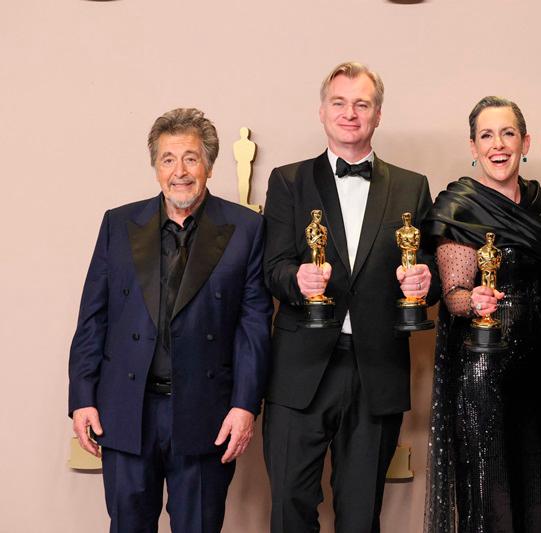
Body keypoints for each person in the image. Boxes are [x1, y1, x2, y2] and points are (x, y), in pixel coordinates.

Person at [68, 108, 272, 532]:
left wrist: (245, 405)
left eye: (191, 158)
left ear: (209, 166)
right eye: (168, 159)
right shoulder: (119, 224)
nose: (180, 171)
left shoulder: (246, 228)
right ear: (155, 167)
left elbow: (253, 326)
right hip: (126, 408)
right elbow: (93, 317)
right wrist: (83, 396)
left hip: (206, 411)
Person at [262, 61, 440, 532]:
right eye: (339, 103)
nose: (350, 113)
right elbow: (271, 270)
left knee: (361, 517)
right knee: (288, 512)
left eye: (362, 104)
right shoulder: (287, 181)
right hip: (299, 372)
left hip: (375, 372)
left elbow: (429, 278)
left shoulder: (411, 186)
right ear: (322, 111)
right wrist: (296, 281)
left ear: (378, 115)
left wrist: (426, 285)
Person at [423, 96, 541, 533]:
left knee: (534, 493)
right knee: (489, 500)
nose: (498, 144)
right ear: (473, 147)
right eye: (487, 135)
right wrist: (472, 301)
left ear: (525, 142)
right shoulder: (460, 206)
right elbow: (453, 294)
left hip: (537, 370)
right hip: (480, 373)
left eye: (508, 133)